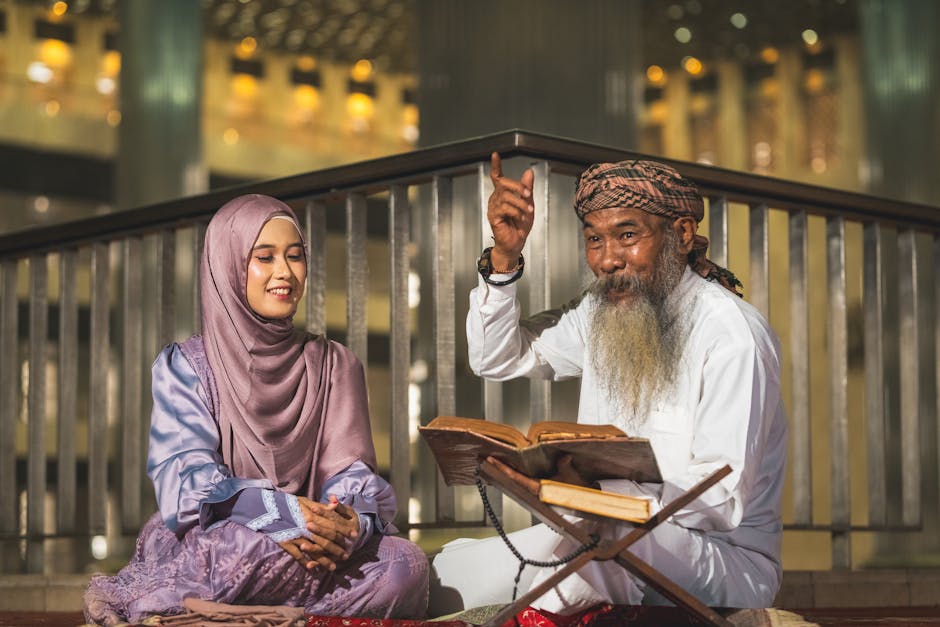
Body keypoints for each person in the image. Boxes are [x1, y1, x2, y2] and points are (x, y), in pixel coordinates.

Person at [429, 154, 787, 614]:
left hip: (723, 559)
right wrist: (504, 258)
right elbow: (497, 356)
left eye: (627, 235)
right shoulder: (599, 313)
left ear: (679, 234)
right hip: (593, 528)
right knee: (444, 573)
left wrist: (590, 494)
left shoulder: (733, 335)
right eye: (594, 239)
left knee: (594, 561)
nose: (608, 259)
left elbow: (720, 498)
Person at [84, 194, 428, 625]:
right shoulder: (186, 367)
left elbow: (351, 469)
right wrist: (282, 516)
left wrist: (346, 524)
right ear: (228, 267)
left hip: (312, 544)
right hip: (222, 537)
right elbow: (187, 485)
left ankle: (239, 615)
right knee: (237, 550)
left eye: (295, 256)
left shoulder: (335, 364)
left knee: (405, 565)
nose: (285, 272)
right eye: (263, 258)